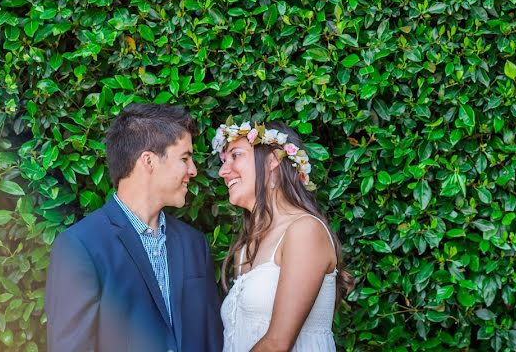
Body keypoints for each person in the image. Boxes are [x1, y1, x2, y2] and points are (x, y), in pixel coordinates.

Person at [45, 103, 223, 352]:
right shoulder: (79, 247)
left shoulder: (195, 244)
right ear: (148, 161)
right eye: (185, 158)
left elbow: (212, 341)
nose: (193, 170)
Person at [214, 120, 353, 352]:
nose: (223, 171)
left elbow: (277, 344)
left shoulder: (305, 231)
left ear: (273, 160)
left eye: (236, 156)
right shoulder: (246, 248)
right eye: (223, 160)